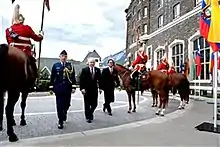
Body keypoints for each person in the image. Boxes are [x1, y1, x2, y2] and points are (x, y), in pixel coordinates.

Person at [5, 4, 43, 79]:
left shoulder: (8, 30)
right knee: (32, 63)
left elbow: (8, 41)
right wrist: (41, 34)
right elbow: (37, 38)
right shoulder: (27, 28)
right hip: (25, 52)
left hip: (11, 53)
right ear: (22, 21)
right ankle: (34, 78)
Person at [50, 50, 77, 129]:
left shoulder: (70, 66)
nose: (64, 58)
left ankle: (64, 112)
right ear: (59, 57)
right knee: (59, 105)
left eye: (65, 56)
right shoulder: (56, 65)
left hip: (67, 88)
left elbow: (73, 77)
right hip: (58, 88)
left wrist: (74, 87)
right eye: (62, 56)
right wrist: (51, 87)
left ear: (66, 57)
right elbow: (52, 77)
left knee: (67, 104)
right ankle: (60, 121)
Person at [79, 58, 102, 123]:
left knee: (95, 104)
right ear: (88, 63)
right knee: (87, 104)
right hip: (86, 89)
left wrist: (100, 88)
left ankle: (90, 113)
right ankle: (88, 117)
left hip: (94, 89)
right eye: (91, 62)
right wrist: (82, 88)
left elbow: (100, 80)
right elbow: (81, 80)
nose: (92, 63)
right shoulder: (84, 70)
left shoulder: (97, 70)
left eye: (93, 62)